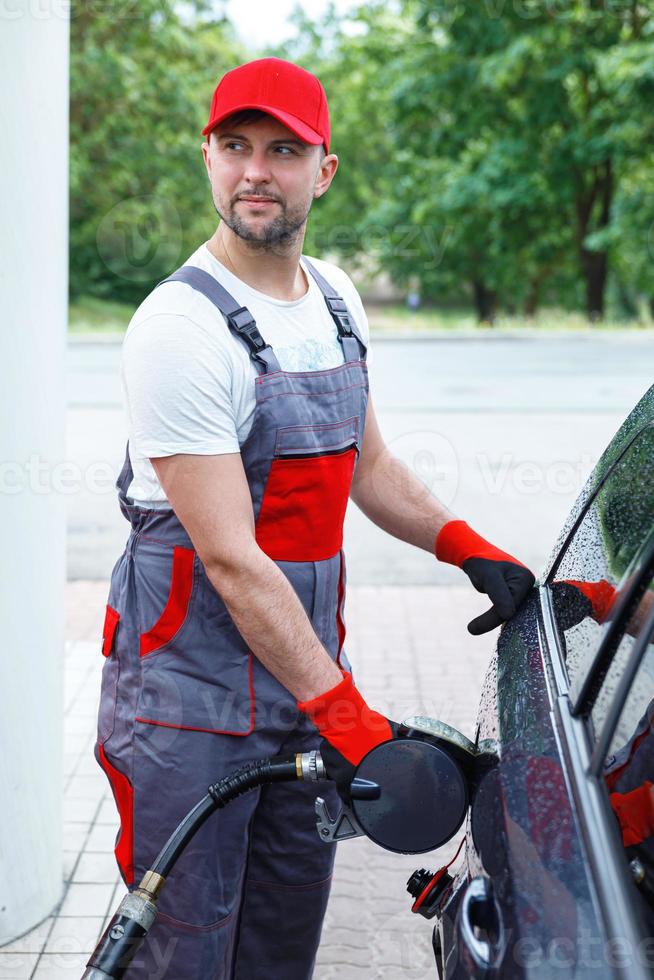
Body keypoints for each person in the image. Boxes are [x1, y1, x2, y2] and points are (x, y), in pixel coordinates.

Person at [95, 56, 535, 979]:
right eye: (236, 146)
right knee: (184, 958)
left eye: (283, 149)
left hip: (301, 699)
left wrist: (471, 550)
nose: (256, 170)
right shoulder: (179, 329)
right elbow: (230, 560)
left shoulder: (335, 299)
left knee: (279, 952)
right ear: (208, 159)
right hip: (188, 713)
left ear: (322, 169)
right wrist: (349, 716)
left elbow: (368, 466)